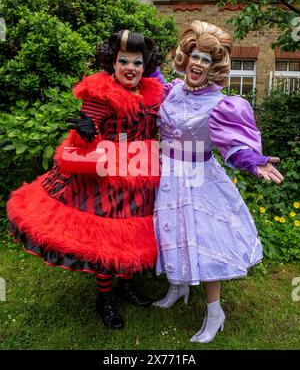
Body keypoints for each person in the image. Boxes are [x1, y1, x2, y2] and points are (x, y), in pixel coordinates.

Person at [7, 29, 164, 330]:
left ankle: (126, 285)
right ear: (113, 64)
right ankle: (104, 298)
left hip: (143, 174)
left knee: (133, 235)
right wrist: (85, 132)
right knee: (108, 240)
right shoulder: (100, 96)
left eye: (137, 62)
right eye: (123, 61)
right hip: (109, 178)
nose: (130, 68)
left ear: (145, 66)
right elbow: (79, 144)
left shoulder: (152, 95)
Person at [152, 21, 284, 343]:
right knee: (169, 232)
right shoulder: (170, 91)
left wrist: (254, 162)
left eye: (206, 60)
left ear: (213, 67)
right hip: (166, 175)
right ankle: (177, 287)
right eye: (195, 56)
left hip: (199, 181)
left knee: (205, 244)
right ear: (186, 58)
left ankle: (215, 312)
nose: (198, 63)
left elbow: (233, 144)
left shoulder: (219, 104)